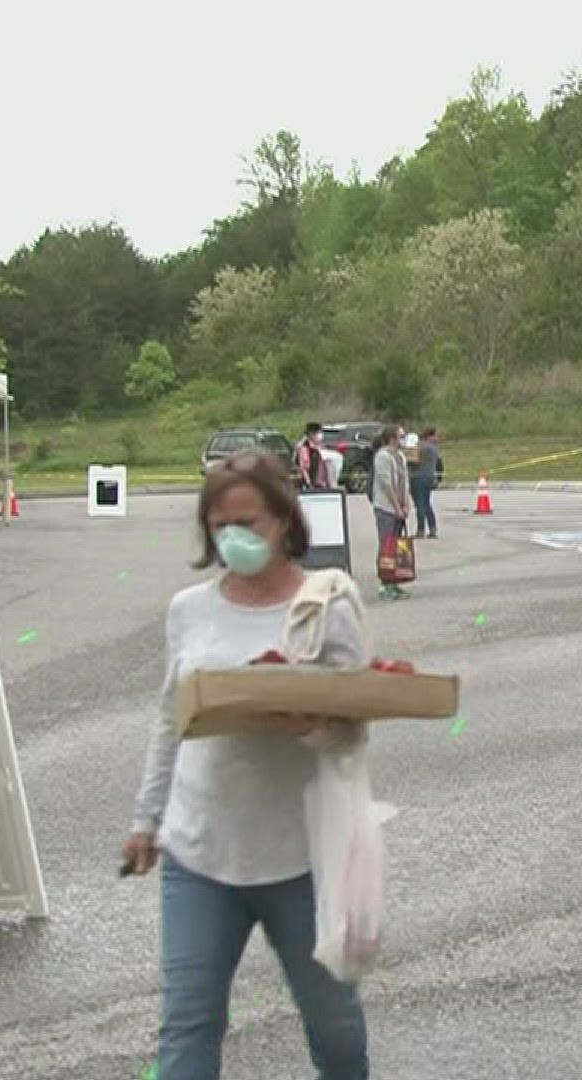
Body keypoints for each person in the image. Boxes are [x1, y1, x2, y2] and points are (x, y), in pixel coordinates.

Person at [123, 451, 372, 1080]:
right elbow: (168, 718)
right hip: (199, 854)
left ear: (286, 521)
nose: (233, 537)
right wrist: (146, 820)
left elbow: (353, 730)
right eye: (219, 525)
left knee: (336, 1032)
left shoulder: (326, 607)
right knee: (188, 1027)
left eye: (249, 523)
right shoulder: (189, 610)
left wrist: (311, 726)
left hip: (301, 858)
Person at [370, 425, 412, 601]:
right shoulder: (382, 456)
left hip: (399, 507)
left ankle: (395, 580)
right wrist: (396, 507)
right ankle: (385, 583)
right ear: (392, 438)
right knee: (386, 545)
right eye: (400, 436)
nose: (403, 440)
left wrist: (406, 504)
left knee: (397, 546)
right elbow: (386, 484)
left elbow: (404, 481)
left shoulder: (400, 457)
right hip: (386, 508)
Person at [412, 428, 442, 540]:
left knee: (419, 504)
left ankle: (421, 530)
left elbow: (413, 460)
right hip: (429, 477)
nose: (437, 438)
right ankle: (432, 528)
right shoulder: (434, 448)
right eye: (435, 436)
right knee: (426, 503)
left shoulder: (420, 447)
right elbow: (439, 463)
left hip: (417, 476)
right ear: (429, 436)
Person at [295, 423, 333, 491]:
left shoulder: (321, 447)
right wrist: (308, 484)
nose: (320, 435)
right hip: (312, 486)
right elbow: (304, 468)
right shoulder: (305, 448)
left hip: (323, 485)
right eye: (318, 433)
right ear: (311, 434)